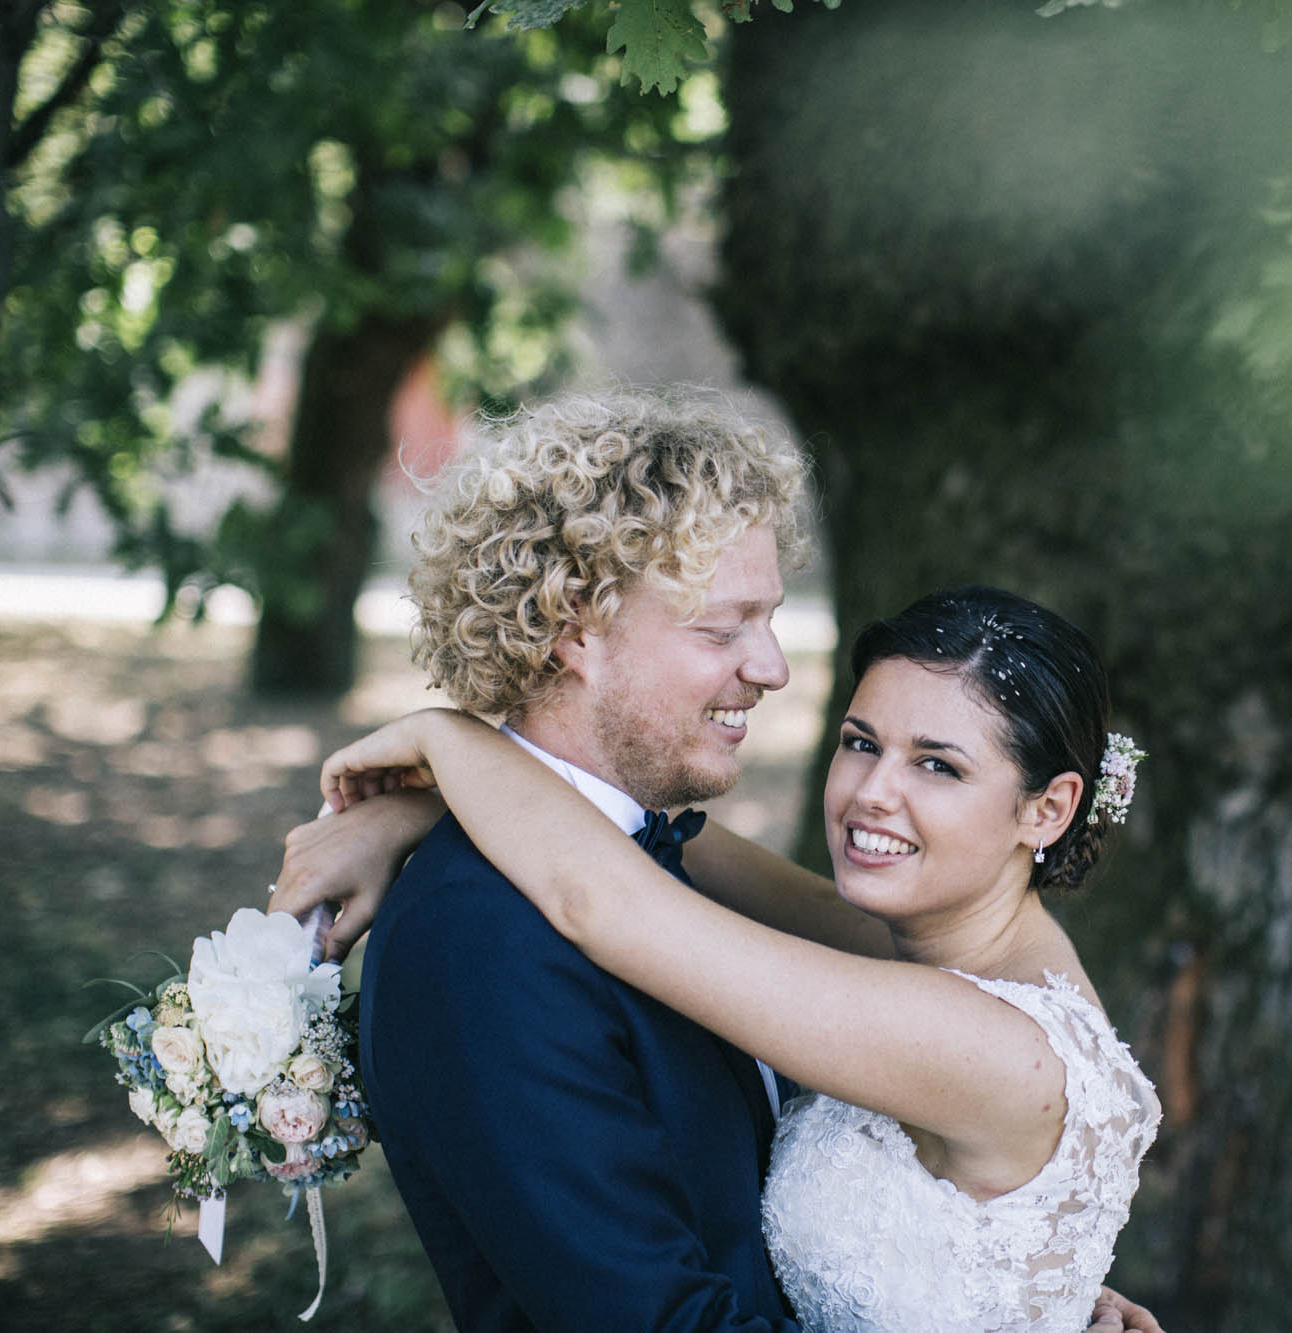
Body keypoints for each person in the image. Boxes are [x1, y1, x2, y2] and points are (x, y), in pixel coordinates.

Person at [274, 390, 1163, 1332]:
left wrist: (445, 747)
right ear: (574, 627)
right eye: (721, 626)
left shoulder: (979, 1021)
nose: (774, 667)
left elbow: (608, 890)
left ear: (1050, 808)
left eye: (938, 764)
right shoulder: (481, 936)